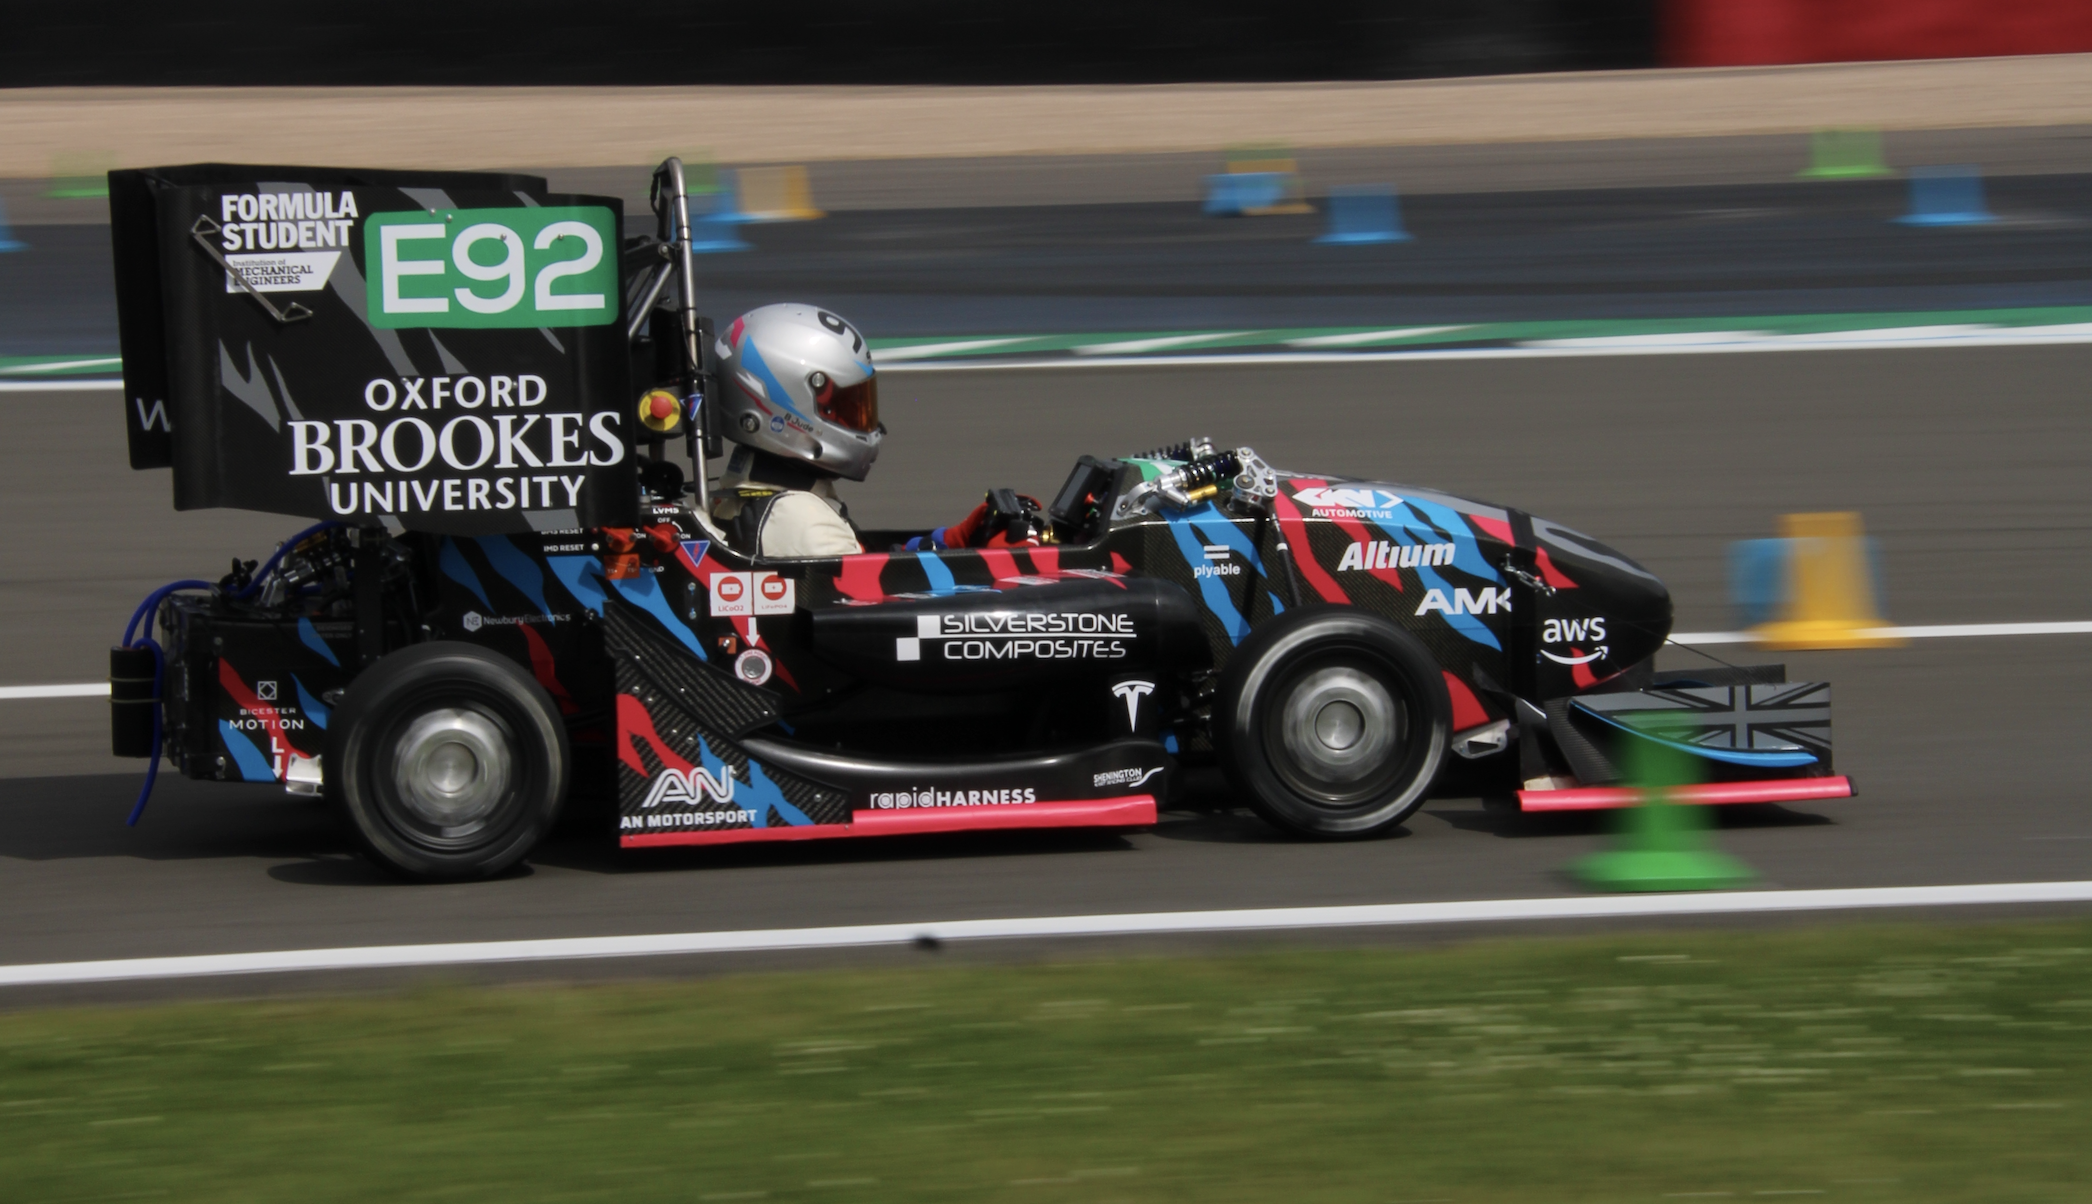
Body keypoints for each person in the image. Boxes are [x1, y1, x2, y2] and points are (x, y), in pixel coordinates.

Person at [705, 303, 1034, 558]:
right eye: (842, 407)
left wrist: (951, 542)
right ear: (782, 410)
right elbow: (889, 600)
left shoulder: (762, 496)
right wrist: (990, 568)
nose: (862, 423)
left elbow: (874, 561)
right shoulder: (801, 521)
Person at [707, 304, 880, 559]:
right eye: (839, 407)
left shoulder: (745, 492)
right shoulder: (804, 523)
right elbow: (884, 590)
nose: (857, 418)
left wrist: (941, 541)